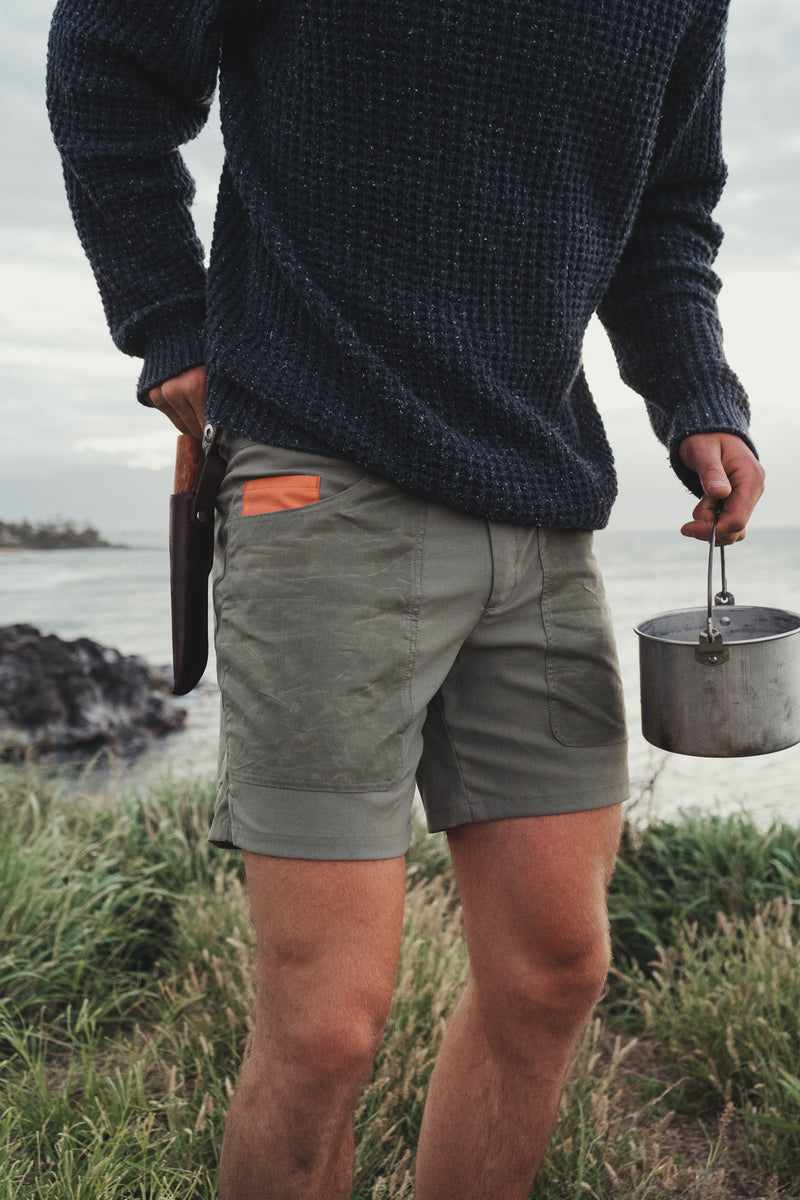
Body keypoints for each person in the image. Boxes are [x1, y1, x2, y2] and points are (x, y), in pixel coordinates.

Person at [47, 2, 765, 1196]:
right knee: (326, 1027)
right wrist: (167, 318)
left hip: (540, 500)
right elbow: (106, 65)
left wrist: (696, 394)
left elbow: (664, 210)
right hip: (317, 478)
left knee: (554, 970)